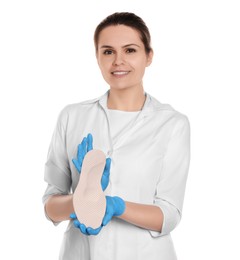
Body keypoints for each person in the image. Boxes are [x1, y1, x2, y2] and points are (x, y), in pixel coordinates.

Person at [42, 12, 190, 260]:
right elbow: (51, 207)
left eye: (130, 50)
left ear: (148, 56)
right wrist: (81, 199)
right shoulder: (72, 117)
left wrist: (116, 206)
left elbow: (170, 214)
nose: (118, 61)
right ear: (98, 57)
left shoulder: (172, 123)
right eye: (108, 51)